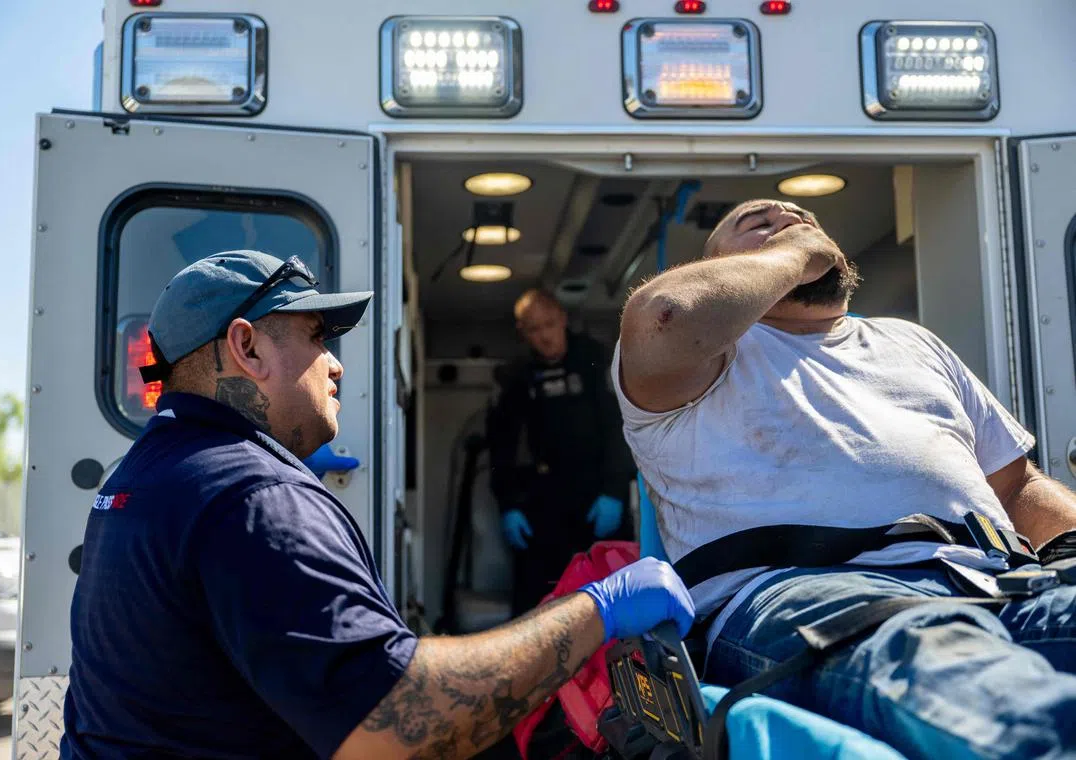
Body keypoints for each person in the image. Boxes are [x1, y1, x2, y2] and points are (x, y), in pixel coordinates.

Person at [61, 250, 695, 760]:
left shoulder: (139, 478)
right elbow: (398, 730)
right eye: (316, 337)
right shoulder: (253, 501)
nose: (335, 366)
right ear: (247, 347)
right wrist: (595, 613)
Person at [615, 200, 1076, 759]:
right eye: (757, 225)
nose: (787, 219)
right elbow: (667, 311)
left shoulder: (912, 342)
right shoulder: (706, 357)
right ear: (717, 271)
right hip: (820, 596)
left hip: (1000, 583)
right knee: (970, 678)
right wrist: (796, 249)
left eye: (801, 219)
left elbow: (1016, 486)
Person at [487, 289, 637, 615]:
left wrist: (614, 490)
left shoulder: (596, 359)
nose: (545, 336)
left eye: (549, 325)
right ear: (522, 333)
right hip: (542, 504)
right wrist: (509, 505)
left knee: (612, 599)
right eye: (534, 329)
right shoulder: (514, 377)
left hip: (599, 496)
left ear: (563, 320)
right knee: (539, 603)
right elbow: (502, 447)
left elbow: (621, 427)